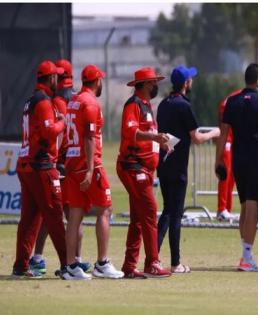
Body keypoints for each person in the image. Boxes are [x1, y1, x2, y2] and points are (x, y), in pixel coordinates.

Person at [215, 63, 258, 272]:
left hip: (237, 160)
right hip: (256, 158)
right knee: (252, 206)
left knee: (244, 205)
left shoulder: (232, 102)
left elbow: (223, 133)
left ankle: (245, 254)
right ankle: (246, 257)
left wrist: (219, 161)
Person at [28, 59, 91, 274]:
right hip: (68, 164)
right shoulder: (73, 98)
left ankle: (48, 258)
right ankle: (72, 260)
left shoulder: (57, 98)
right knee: (68, 212)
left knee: (56, 214)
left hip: (62, 163)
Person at [62, 64, 123, 280]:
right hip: (88, 164)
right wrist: (89, 170)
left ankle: (70, 266)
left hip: (72, 163)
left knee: (75, 215)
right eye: (101, 80)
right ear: (97, 81)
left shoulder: (74, 101)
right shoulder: (89, 103)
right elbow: (89, 138)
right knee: (105, 209)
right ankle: (102, 263)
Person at [157, 66, 220, 273]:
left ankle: (153, 257)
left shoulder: (163, 104)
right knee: (175, 215)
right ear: (185, 83)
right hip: (178, 169)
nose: (191, 81)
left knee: (167, 211)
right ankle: (175, 263)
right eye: (190, 79)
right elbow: (197, 137)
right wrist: (215, 132)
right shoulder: (184, 106)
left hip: (164, 164)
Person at [12, 60, 67, 278]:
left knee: (29, 219)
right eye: (57, 77)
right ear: (50, 78)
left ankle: (20, 266)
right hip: (41, 166)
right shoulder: (43, 102)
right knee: (54, 214)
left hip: (27, 165)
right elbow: (48, 132)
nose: (59, 81)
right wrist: (62, 122)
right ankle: (68, 265)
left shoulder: (29, 101)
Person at [117, 67, 171, 278]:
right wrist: (155, 137)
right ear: (146, 84)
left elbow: (147, 136)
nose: (156, 85)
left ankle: (129, 267)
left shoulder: (146, 106)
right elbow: (131, 132)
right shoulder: (134, 105)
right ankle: (152, 263)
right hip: (132, 166)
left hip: (143, 168)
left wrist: (161, 142)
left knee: (139, 218)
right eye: (154, 82)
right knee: (149, 211)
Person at [217, 89, 241, 221]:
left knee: (231, 177)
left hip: (231, 141)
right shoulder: (233, 99)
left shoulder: (235, 97)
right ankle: (222, 209)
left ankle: (227, 209)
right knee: (225, 176)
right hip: (227, 141)